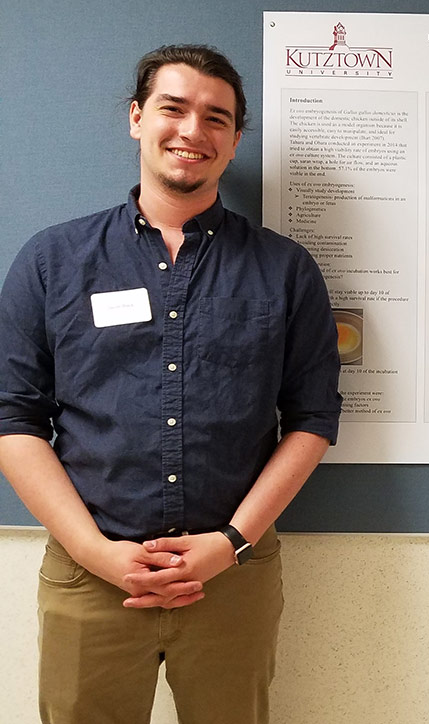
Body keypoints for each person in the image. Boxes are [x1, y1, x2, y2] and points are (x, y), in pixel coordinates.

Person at [0, 45, 341, 723]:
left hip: (232, 577)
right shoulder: (52, 261)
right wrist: (95, 551)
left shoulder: (284, 270)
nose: (193, 130)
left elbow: (312, 419)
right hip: (89, 575)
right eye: (173, 107)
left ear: (235, 140)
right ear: (136, 117)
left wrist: (232, 543)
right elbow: (13, 420)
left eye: (216, 117)